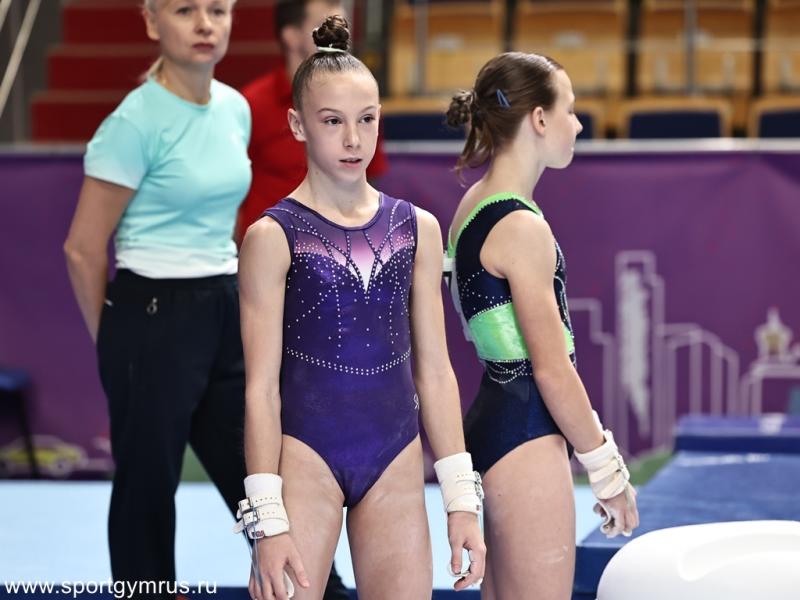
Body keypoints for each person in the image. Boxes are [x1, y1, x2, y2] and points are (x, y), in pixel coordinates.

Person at [235, 16, 485, 600]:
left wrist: (460, 500)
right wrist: (267, 519)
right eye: (332, 121)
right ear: (297, 124)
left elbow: (436, 371)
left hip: (393, 455)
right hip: (306, 455)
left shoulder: (417, 228)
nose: (353, 139)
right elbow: (260, 388)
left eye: (367, 119)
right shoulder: (271, 237)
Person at [63, 1, 250, 597]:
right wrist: (116, 343)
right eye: (184, 9)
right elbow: (82, 249)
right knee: (147, 490)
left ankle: (319, 588)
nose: (205, 23)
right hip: (150, 313)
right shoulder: (134, 122)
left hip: (223, 306)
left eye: (217, 9)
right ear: (151, 22)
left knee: (260, 479)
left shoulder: (235, 108)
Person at [444, 52, 641, 599]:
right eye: (569, 110)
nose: (577, 124)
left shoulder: (473, 204)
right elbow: (552, 370)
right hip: (527, 431)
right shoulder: (521, 227)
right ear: (538, 118)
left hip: (495, 419)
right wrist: (606, 469)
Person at [235, 0, 388, 243]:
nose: (336, 35)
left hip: (343, 245)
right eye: (324, 26)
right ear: (292, 36)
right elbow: (231, 193)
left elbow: (372, 179)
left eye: (343, 26)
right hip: (272, 247)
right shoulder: (251, 105)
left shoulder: (361, 99)